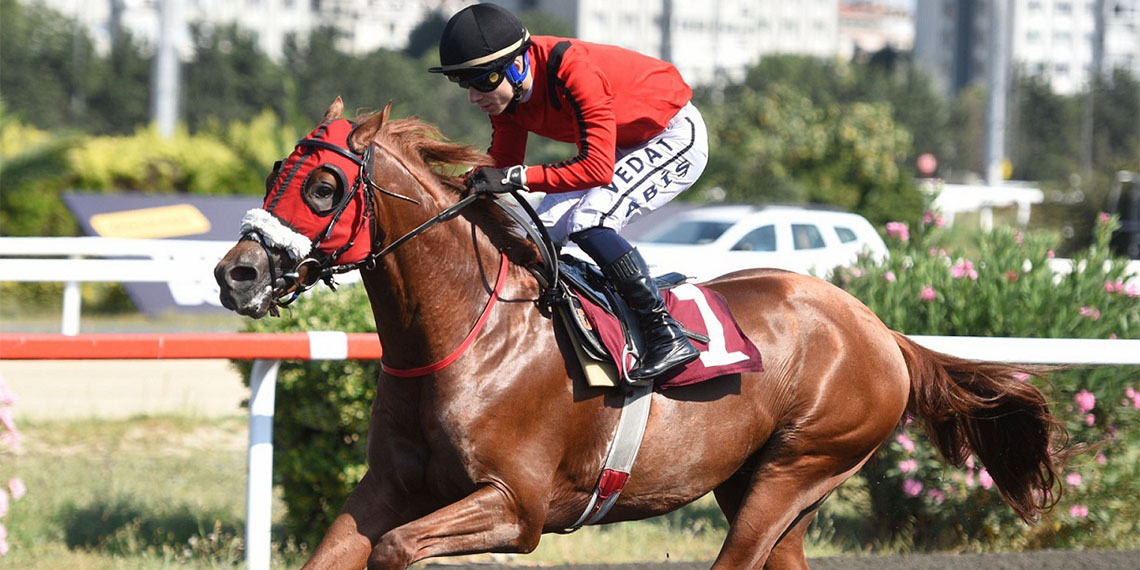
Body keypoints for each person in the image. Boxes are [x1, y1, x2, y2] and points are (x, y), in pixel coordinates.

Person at [429, 3, 708, 384]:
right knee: (538, 234)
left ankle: (664, 333)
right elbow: (503, 163)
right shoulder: (506, 98)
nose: (473, 96)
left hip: (671, 133)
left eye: (480, 81)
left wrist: (514, 177)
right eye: (464, 83)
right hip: (619, 144)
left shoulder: (573, 70)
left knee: (590, 219)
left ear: (514, 66)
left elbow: (596, 169)